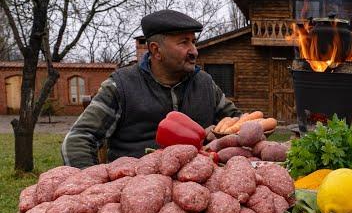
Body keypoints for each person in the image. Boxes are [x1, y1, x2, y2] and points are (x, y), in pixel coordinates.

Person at [62, 9, 242, 168]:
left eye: (193, 42)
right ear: (156, 51)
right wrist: (95, 187)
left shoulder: (205, 83)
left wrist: (219, 134)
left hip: (197, 186)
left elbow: (238, 124)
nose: (194, 50)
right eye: (184, 42)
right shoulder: (121, 85)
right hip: (134, 188)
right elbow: (78, 139)